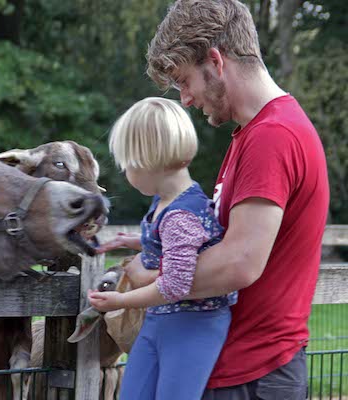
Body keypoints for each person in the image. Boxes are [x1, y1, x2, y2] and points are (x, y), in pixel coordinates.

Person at [94, 1, 330, 399]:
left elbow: (239, 263)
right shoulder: (253, 135)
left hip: (253, 374)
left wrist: (150, 278)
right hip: (242, 369)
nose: (185, 99)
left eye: (185, 81)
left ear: (216, 62)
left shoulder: (273, 137)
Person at [90, 96, 237, 400]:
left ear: (147, 161)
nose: (127, 175)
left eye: (128, 166)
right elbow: (173, 247)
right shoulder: (166, 203)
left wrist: (121, 300)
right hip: (161, 318)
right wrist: (133, 241)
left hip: (192, 324)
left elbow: (175, 284)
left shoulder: (180, 215)